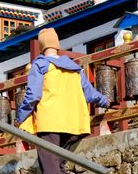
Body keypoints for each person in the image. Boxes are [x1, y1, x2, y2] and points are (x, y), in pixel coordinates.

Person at [16, 28, 109, 174]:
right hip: (74, 125)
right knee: (59, 166)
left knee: (50, 168)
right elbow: (90, 94)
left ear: (41, 46)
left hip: (50, 123)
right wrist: (106, 101)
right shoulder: (75, 68)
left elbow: (33, 95)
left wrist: (20, 116)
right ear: (57, 44)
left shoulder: (39, 65)